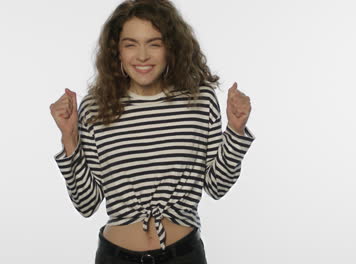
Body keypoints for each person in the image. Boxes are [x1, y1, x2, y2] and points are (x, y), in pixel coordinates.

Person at [49, 0, 255, 263]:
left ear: (171, 47)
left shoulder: (199, 100)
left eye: (154, 43)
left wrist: (235, 131)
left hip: (183, 255)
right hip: (116, 257)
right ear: (117, 52)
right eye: (130, 44)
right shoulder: (96, 108)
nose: (142, 56)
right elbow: (86, 203)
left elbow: (217, 186)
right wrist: (69, 137)